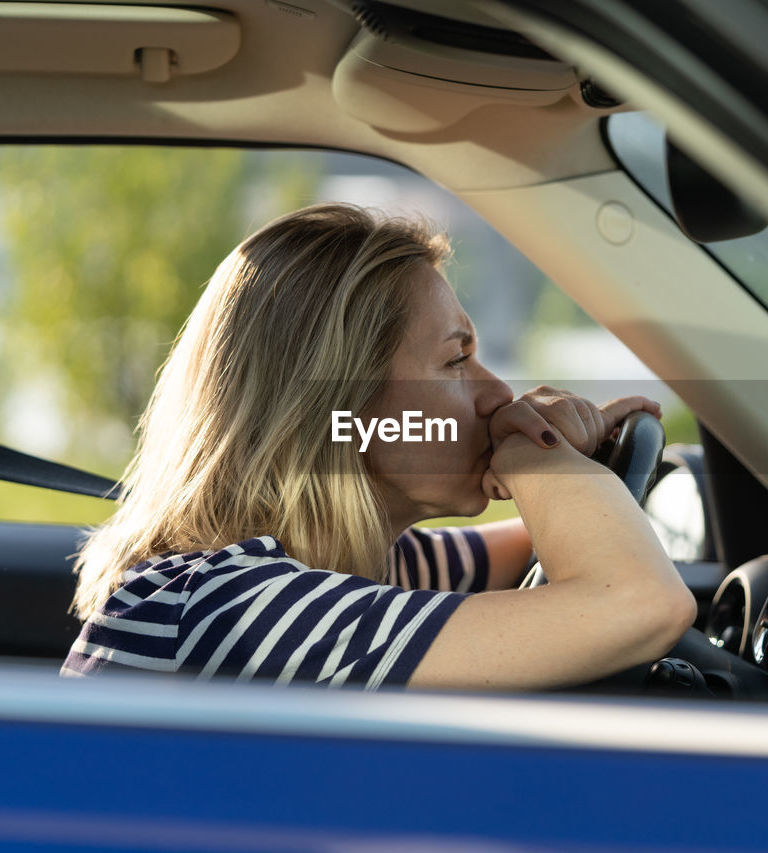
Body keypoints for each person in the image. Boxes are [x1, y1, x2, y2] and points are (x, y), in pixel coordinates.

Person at [63, 203, 695, 690]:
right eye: (456, 361)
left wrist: (580, 471)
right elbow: (640, 604)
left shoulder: (352, 560)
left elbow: (530, 551)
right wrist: (543, 454)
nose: (498, 394)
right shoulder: (236, 609)